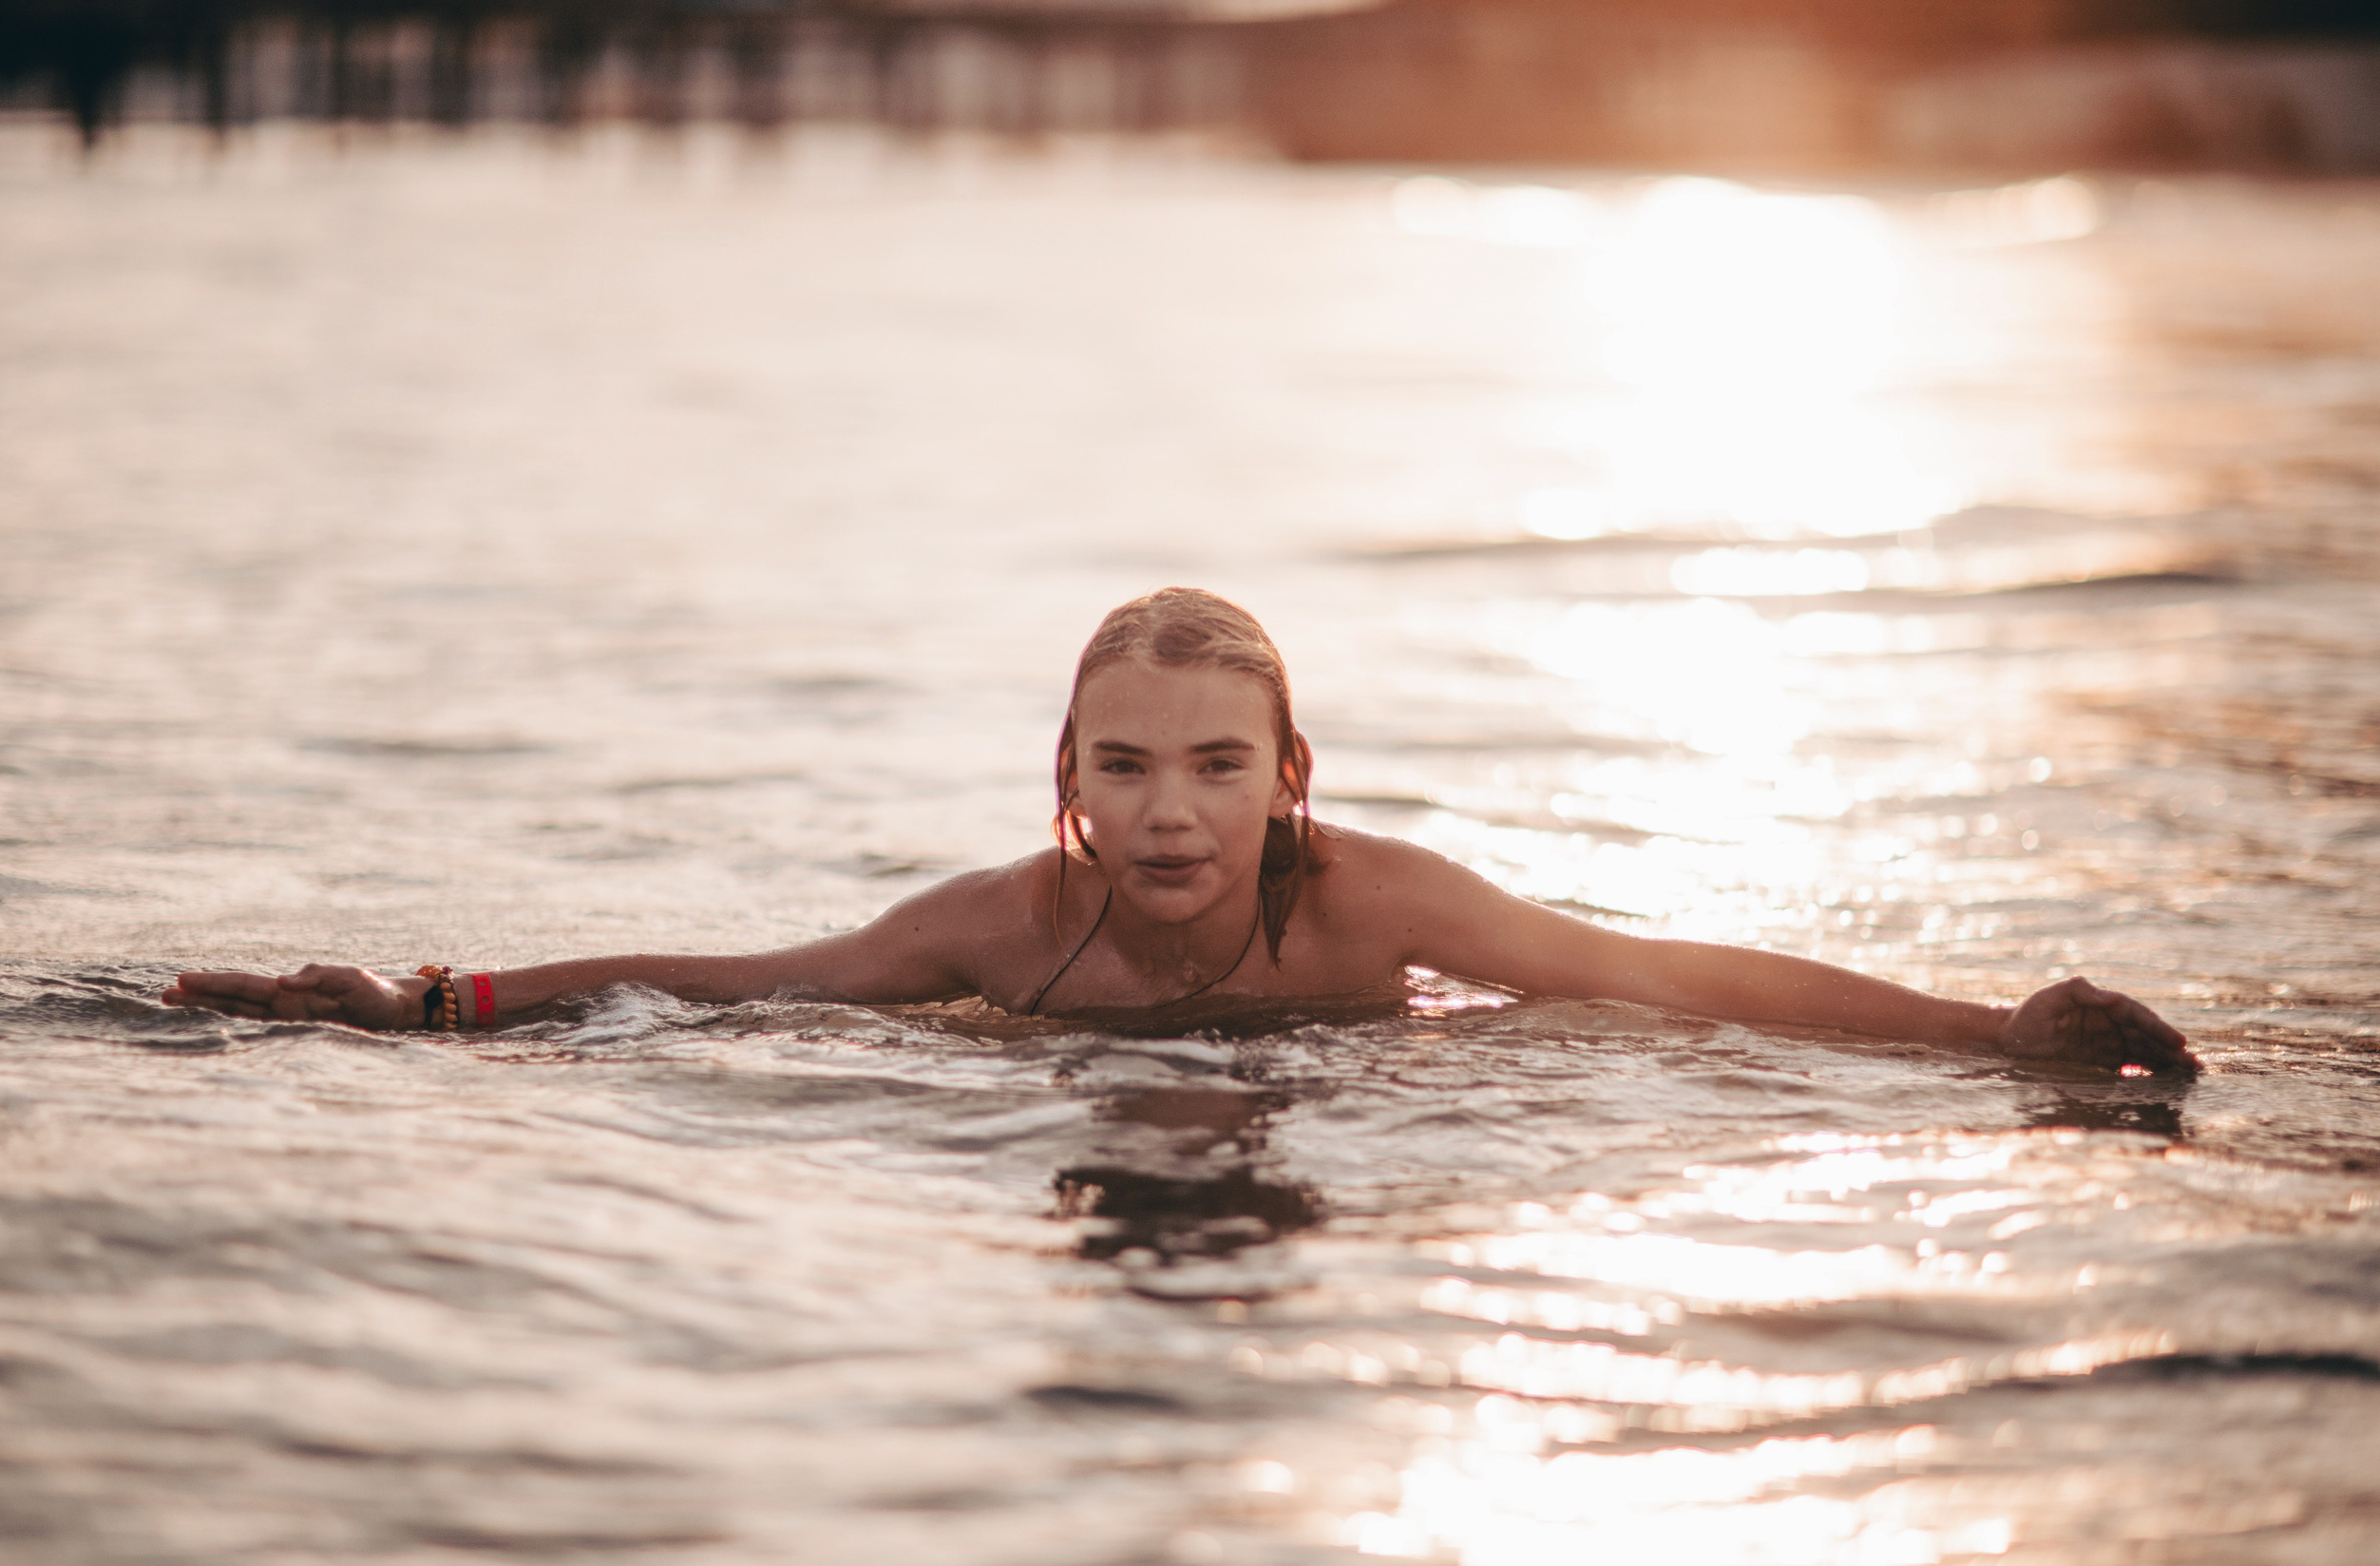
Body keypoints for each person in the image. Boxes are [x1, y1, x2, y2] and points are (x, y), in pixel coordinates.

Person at [164, 588, 2199, 1076]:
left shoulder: (1372, 904)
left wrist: (1986, 1033)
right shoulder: (997, 924)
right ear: (1067, 780)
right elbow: (727, 979)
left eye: (1217, 768)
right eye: (1124, 766)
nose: (1167, 810)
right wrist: (423, 1001)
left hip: (1345, 1112)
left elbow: (1658, 969)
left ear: (1286, 781)